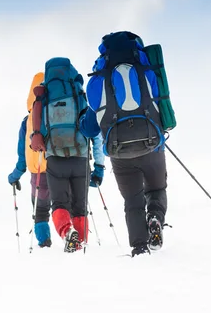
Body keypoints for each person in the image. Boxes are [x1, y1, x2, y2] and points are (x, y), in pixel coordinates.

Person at [79, 31, 169, 257]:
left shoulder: (98, 79)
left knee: (133, 199)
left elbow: (90, 128)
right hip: (152, 144)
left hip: (120, 152)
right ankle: (155, 217)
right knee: (157, 188)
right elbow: (161, 101)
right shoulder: (147, 70)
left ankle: (139, 248)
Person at [30, 57, 103, 253]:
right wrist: (99, 165)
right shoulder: (77, 91)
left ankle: (67, 232)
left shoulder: (45, 95)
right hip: (79, 157)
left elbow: (40, 131)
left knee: (59, 203)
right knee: (80, 206)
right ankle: (80, 244)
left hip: (55, 158)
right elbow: (93, 130)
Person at [8, 72, 52, 248]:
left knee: (40, 210)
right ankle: (73, 236)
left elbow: (22, 155)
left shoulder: (27, 122)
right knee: (70, 205)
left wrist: (14, 176)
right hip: (61, 165)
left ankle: (44, 243)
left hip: (38, 171)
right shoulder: (60, 113)